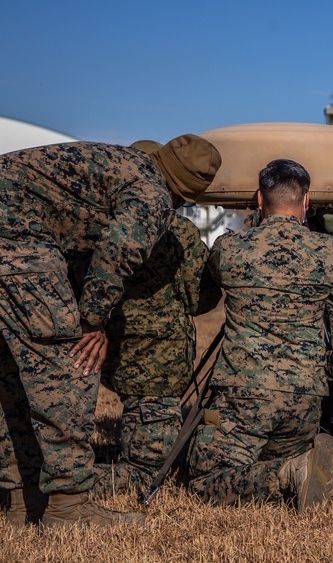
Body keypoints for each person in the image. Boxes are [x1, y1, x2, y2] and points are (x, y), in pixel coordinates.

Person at [0, 135, 221, 527]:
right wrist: (92, 321)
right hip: (6, 226)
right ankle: (68, 506)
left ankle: (22, 496)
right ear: (183, 196)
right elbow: (121, 247)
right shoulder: (153, 191)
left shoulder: (123, 163)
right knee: (69, 359)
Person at [186, 159, 333, 510]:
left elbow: (203, 294)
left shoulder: (230, 248)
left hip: (244, 393)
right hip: (305, 400)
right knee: (273, 456)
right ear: (306, 202)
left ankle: (286, 475)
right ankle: (301, 463)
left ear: (259, 200)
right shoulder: (328, 252)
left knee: (206, 479)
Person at [85, 140, 222, 497]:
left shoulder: (95, 222)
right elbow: (202, 297)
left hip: (99, 350)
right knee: (147, 471)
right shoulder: (177, 231)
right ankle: (64, 484)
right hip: (155, 366)